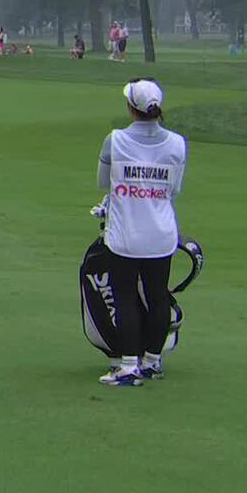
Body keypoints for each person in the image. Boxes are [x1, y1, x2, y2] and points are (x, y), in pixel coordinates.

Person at [93, 78, 188, 387]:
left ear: (130, 108)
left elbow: (103, 182)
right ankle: (152, 361)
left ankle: (128, 366)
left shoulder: (115, 140)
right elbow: (174, 189)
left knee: (125, 298)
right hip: (161, 234)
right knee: (158, 296)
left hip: (124, 236)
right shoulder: (176, 143)